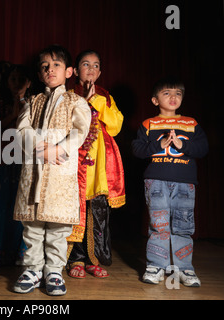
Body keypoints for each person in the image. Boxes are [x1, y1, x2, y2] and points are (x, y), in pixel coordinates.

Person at [13, 45, 91, 296]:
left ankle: (54, 271)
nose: (50, 69)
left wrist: (57, 149)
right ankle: (33, 269)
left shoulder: (76, 101)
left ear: (69, 71)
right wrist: (39, 148)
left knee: (58, 228)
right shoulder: (33, 101)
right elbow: (22, 131)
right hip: (34, 171)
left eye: (56, 65)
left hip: (60, 171)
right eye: (45, 66)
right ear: (39, 73)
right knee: (33, 226)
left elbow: (80, 131)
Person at [132, 77, 208, 287]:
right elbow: (137, 149)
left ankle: (185, 269)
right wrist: (160, 144)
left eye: (178, 93)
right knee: (159, 225)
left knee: (183, 226)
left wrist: (182, 145)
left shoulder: (190, 123)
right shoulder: (148, 124)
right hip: (155, 182)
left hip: (185, 183)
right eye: (167, 93)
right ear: (155, 100)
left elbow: (203, 148)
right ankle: (156, 266)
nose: (173, 97)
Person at [66, 50, 126, 279]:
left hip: (98, 167)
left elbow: (115, 126)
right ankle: (74, 260)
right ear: (75, 70)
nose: (90, 69)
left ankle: (93, 259)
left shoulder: (105, 96)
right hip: (73, 164)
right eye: (85, 64)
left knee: (98, 212)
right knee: (74, 211)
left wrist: (95, 101)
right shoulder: (68, 95)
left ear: (100, 72)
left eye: (95, 65)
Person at [0, 64, 32, 266]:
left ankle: (19, 251)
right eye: (13, 79)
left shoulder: (34, 103)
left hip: (25, 159)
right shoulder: (1, 104)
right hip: (3, 158)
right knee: (1, 204)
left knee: (21, 205)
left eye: (21, 79)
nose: (17, 84)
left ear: (29, 82)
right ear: (7, 82)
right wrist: (13, 114)